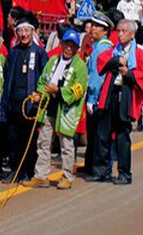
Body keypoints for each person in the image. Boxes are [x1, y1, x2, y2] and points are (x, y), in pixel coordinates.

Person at [24, 29, 88, 190]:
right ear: (61, 44)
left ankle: (67, 175)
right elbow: (43, 80)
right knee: (44, 142)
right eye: (66, 44)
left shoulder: (80, 66)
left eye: (73, 46)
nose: (68, 48)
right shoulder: (52, 60)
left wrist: (59, 92)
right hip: (48, 108)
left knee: (66, 144)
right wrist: (39, 94)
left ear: (76, 48)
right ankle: (41, 175)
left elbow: (79, 89)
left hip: (66, 109)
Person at [92, 19, 143, 185]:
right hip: (110, 95)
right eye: (118, 30)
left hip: (126, 96)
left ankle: (124, 173)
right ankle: (102, 171)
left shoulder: (140, 54)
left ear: (132, 34)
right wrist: (117, 61)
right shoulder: (113, 51)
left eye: (124, 31)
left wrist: (129, 74)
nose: (119, 34)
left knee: (122, 136)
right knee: (103, 134)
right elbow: (102, 63)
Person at [0, 14, 47, 182]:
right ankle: (15, 170)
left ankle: (27, 171)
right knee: (12, 138)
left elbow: (45, 77)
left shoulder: (39, 53)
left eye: (27, 30)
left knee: (29, 139)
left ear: (33, 32)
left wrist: (40, 96)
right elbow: (6, 75)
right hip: (14, 102)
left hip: (30, 104)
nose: (24, 34)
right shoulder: (13, 52)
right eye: (20, 31)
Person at [82, 12, 115, 179]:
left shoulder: (102, 48)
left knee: (99, 135)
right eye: (92, 25)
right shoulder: (98, 46)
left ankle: (99, 170)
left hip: (99, 97)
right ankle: (90, 166)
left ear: (105, 30)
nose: (92, 29)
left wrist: (92, 98)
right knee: (93, 133)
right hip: (97, 96)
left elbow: (96, 76)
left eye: (96, 26)